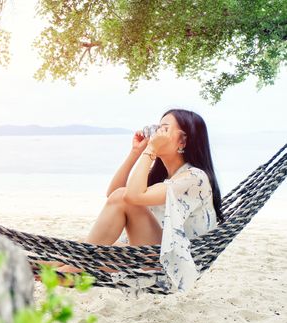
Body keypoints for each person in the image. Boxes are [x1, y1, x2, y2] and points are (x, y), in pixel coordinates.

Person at [57, 109, 223, 292]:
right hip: (149, 254)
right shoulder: (166, 176)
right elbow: (113, 194)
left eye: (164, 129)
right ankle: (35, 265)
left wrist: (151, 150)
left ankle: (69, 272)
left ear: (183, 140)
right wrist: (136, 153)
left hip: (170, 265)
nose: (157, 134)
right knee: (78, 246)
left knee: (86, 248)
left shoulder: (194, 177)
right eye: (158, 128)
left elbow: (128, 197)